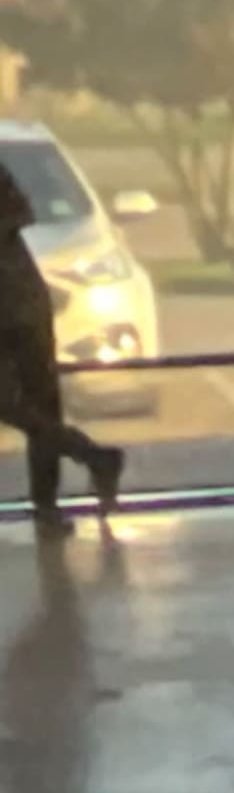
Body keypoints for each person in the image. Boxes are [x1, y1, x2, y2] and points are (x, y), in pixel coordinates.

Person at [0, 161, 126, 528]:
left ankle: (48, 504)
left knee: (39, 399)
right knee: (18, 402)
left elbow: (18, 213)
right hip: (19, 300)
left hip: (18, 301)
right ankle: (93, 457)